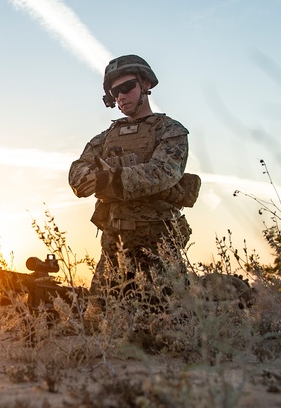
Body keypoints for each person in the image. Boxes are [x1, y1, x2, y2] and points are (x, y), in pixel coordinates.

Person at [68, 54, 200, 293]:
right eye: (114, 92)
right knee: (101, 318)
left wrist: (113, 177)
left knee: (167, 320)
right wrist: (88, 179)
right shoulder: (107, 135)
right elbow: (79, 168)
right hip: (114, 242)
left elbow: (163, 172)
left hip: (158, 243)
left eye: (127, 87)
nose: (121, 96)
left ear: (145, 85)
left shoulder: (170, 131)